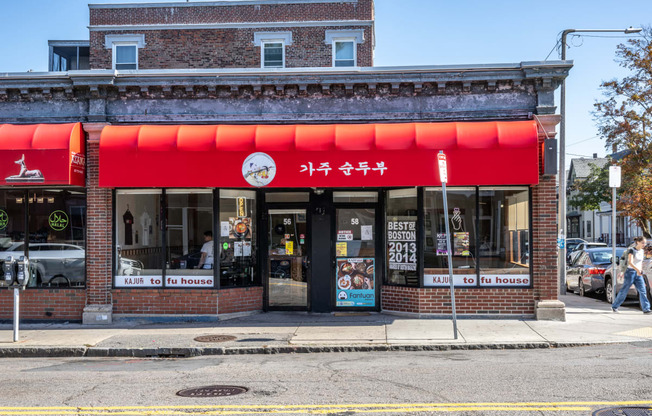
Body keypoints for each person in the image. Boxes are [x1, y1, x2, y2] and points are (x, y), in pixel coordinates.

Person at [612, 236, 651, 314]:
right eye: (643, 243)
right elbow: (631, 262)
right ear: (638, 242)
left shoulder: (642, 251)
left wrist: (641, 270)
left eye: (645, 243)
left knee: (642, 291)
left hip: (638, 273)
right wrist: (637, 270)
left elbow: (639, 262)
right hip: (630, 272)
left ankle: (646, 309)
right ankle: (615, 306)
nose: (644, 244)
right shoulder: (631, 250)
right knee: (624, 290)